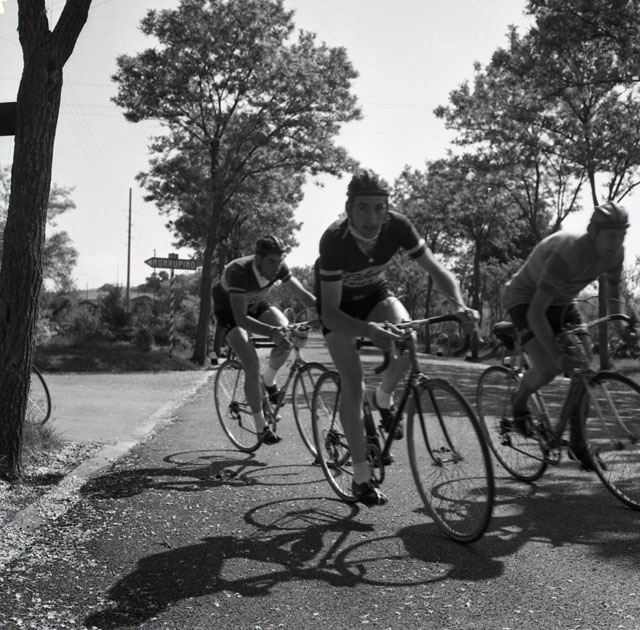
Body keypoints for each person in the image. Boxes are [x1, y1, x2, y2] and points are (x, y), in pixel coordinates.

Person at [316, 169, 478, 506]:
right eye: (363, 208)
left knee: (408, 338)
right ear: (349, 209)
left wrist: (460, 305)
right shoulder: (334, 240)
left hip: (376, 295)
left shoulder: (398, 226)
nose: (372, 218)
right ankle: (361, 477)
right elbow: (330, 314)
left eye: (379, 208)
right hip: (339, 310)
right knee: (353, 382)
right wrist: (368, 330)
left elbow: (437, 270)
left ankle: (384, 397)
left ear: (387, 209)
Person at [502, 201, 636, 468]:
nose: (617, 243)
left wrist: (622, 329)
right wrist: (556, 354)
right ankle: (519, 400)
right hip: (526, 300)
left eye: (622, 236)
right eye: (611, 236)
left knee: (585, 367)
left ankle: (578, 442)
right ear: (593, 233)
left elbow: (612, 293)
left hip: (563, 301)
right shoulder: (568, 254)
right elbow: (536, 313)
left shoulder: (615, 254)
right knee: (549, 367)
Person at [212, 235, 317, 444]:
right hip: (230, 310)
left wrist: (324, 312)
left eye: (279, 261)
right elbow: (241, 318)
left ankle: (268, 381)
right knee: (251, 362)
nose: (276, 268)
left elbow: (303, 294)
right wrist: (271, 332)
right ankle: (261, 426)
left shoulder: (278, 267)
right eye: (271, 262)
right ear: (258, 259)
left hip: (255, 303)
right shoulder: (239, 272)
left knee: (286, 329)